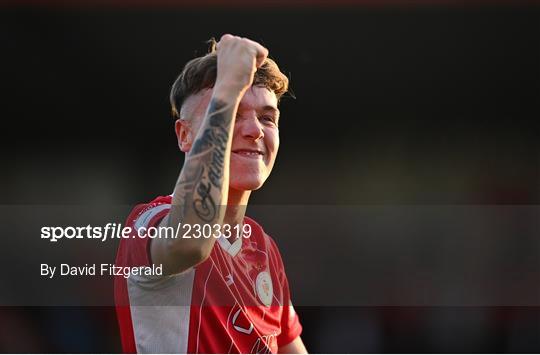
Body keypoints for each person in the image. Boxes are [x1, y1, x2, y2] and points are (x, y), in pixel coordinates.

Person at [114, 34, 307, 354]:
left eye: (266, 117)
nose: (255, 130)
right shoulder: (149, 223)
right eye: (232, 113)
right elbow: (191, 242)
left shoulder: (264, 248)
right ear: (185, 134)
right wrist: (227, 89)